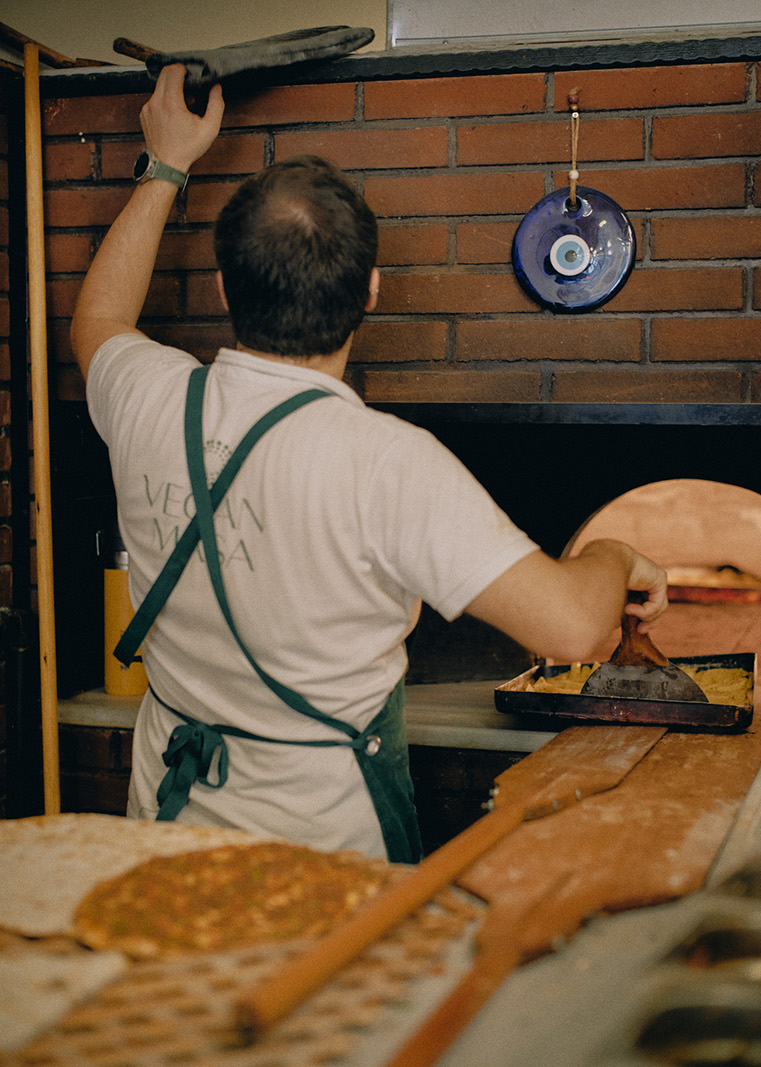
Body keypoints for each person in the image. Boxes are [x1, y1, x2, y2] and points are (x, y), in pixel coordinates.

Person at [70, 65, 667, 863]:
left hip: (167, 838)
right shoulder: (387, 462)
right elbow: (576, 625)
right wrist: (614, 552)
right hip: (325, 868)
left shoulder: (148, 397)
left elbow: (100, 315)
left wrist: (168, 163)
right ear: (372, 292)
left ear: (224, 286)